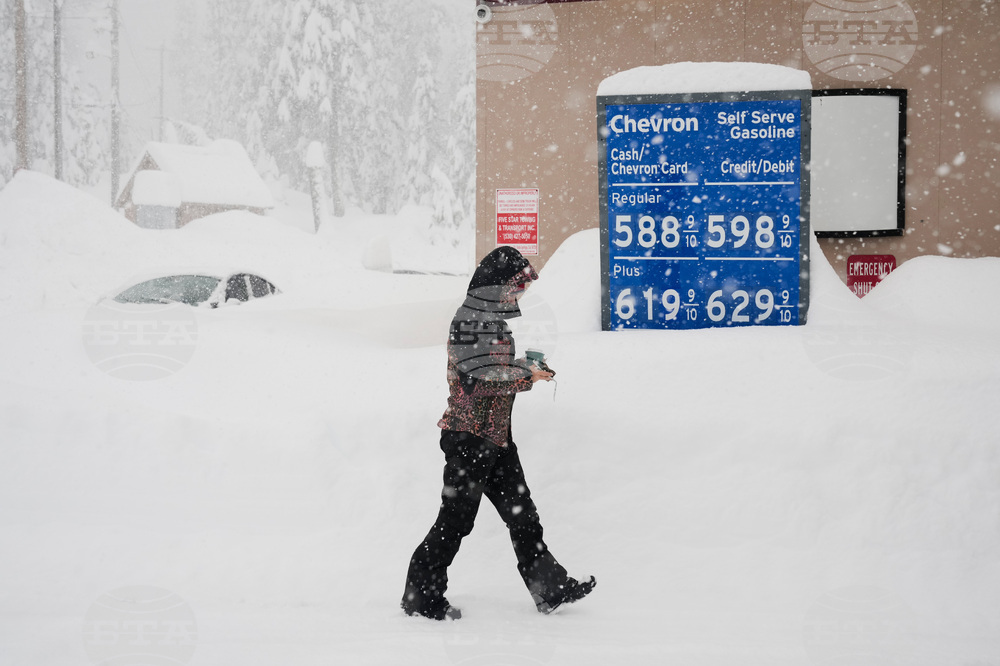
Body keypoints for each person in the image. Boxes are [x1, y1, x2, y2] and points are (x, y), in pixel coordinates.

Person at [401, 246, 595, 621]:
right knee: (455, 521)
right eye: (516, 286)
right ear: (497, 285)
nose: (520, 294)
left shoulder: (493, 321)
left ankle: (550, 590)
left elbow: (494, 367)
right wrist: (525, 375)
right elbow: (478, 380)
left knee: (523, 516)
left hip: (496, 438)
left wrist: (526, 366)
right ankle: (421, 598)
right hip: (468, 438)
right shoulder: (468, 320)